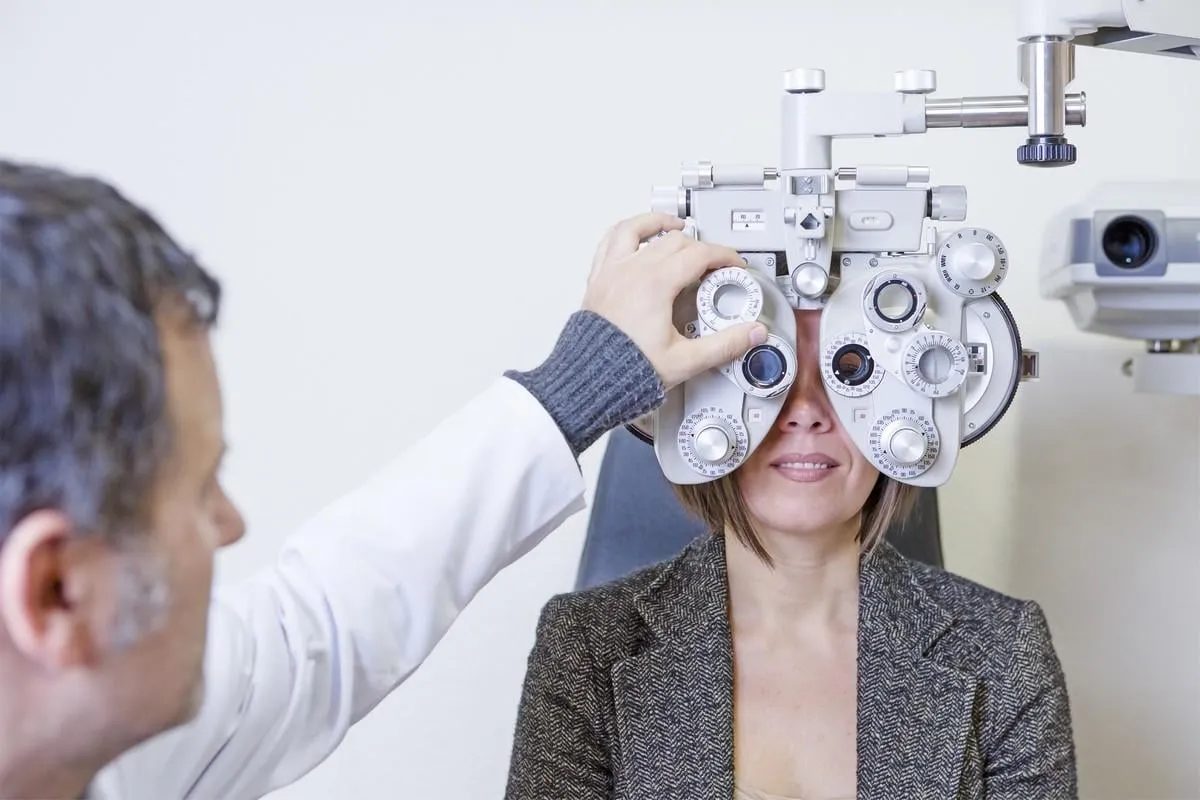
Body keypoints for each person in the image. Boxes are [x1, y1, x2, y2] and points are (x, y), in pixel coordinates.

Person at [0, 159, 771, 800]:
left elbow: (320, 623)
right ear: (55, 590)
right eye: (201, 490)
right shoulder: (591, 649)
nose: (232, 522)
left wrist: (576, 388)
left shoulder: (87, 734)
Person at [504, 308, 1078, 800]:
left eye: (849, 372)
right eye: (764, 372)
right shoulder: (585, 643)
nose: (806, 411)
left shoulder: (1003, 648)